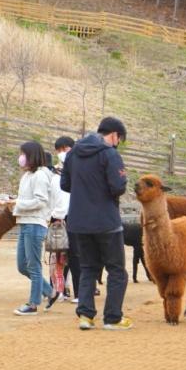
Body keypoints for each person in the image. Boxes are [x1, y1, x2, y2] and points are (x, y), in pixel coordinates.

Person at [61, 117, 132, 331]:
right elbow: (118, 187)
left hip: (78, 221)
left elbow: (65, 184)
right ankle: (112, 318)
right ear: (114, 135)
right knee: (117, 270)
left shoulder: (73, 153)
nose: (118, 142)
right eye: (120, 139)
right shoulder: (110, 154)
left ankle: (85, 316)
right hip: (106, 222)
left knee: (87, 268)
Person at [12, 141, 57, 316]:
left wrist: (17, 203)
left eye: (23, 154)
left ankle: (33, 303)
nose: (21, 157)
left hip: (35, 224)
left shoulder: (41, 175)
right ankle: (50, 292)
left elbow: (40, 201)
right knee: (23, 265)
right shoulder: (28, 176)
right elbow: (26, 200)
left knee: (33, 266)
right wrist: (11, 202)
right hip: (25, 222)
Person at [54, 136, 80, 303]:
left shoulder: (78, 167)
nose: (62, 153)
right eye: (59, 151)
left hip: (74, 217)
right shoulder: (57, 171)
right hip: (61, 218)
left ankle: (79, 292)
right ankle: (61, 290)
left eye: (64, 149)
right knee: (60, 256)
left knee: (75, 256)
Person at [46, 152, 69, 303]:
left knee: (57, 263)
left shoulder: (56, 180)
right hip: (66, 223)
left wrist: (51, 217)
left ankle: (58, 291)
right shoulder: (66, 180)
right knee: (61, 262)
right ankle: (61, 290)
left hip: (57, 224)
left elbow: (56, 205)